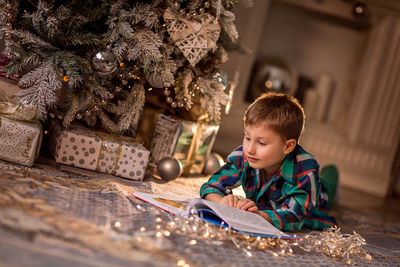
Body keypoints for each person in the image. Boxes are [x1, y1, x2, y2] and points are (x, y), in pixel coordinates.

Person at [200, 92, 338, 232]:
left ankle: (331, 171)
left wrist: (259, 216)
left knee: (328, 182)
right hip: (272, 202)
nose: (250, 149)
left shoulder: (305, 169)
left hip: (319, 193)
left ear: (287, 146)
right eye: (247, 137)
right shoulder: (245, 156)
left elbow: (294, 215)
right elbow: (211, 186)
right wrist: (222, 202)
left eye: (262, 143)